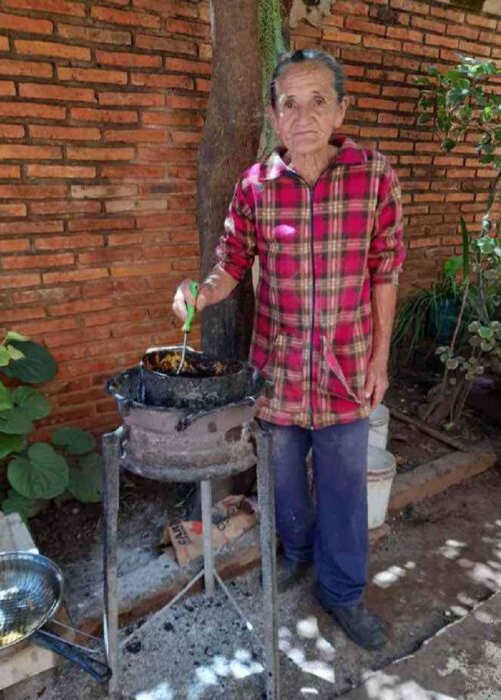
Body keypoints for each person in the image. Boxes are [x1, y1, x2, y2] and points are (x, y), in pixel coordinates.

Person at [173, 49, 405, 651]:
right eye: (289, 104)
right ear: (275, 118)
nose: (303, 116)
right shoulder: (256, 186)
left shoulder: (375, 176)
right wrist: (200, 293)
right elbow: (229, 267)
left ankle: (343, 591)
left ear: (341, 110)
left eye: (317, 101)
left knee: (345, 485)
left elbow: (386, 272)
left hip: (347, 369)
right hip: (277, 372)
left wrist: (380, 361)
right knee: (281, 478)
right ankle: (299, 554)